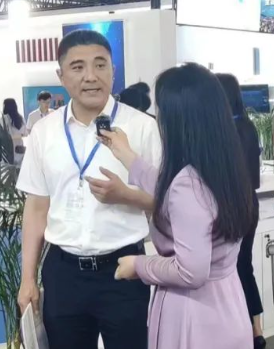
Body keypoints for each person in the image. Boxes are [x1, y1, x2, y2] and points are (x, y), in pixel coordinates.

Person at [16, 30, 161, 349]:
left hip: (124, 270)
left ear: (113, 70)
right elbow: (36, 208)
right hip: (63, 273)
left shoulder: (142, 127)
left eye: (100, 65)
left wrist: (126, 195)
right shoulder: (44, 132)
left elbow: (164, 202)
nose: (91, 76)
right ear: (61, 76)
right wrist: (28, 279)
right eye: (78, 67)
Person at [100, 63, 254, 349]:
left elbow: (190, 271)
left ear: (178, 120)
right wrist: (127, 155)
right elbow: (172, 190)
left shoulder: (188, 184)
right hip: (227, 308)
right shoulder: (223, 166)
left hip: (194, 318)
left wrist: (138, 265)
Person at [217, 73, 265, 349]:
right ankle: (256, 329)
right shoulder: (247, 126)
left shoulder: (225, 131)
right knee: (244, 266)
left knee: (230, 269)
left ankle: (242, 333)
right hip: (249, 203)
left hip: (230, 205)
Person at [2, 98, 28, 165]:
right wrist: (19, 135)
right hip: (19, 147)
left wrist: (11, 137)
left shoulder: (4, 118)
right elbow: (26, 133)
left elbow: (2, 134)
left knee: (9, 168)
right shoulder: (20, 118)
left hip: (9, 148)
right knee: (19, 168)